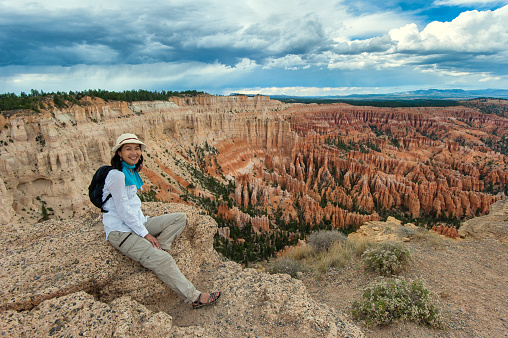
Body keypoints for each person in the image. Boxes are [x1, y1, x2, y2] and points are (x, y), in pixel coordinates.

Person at [102, 133, 221, 309]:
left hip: (138, 222)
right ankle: (194, 297)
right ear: (119, 152)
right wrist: (146, 235)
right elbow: (123, 211)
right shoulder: (117, 176)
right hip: (121, 231)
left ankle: (160, 250)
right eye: (128, 149)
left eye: (137, 148)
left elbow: (132, 206)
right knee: (164, 261)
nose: (134, 152)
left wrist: (144, 227)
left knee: (180, 218)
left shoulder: (130, 171)